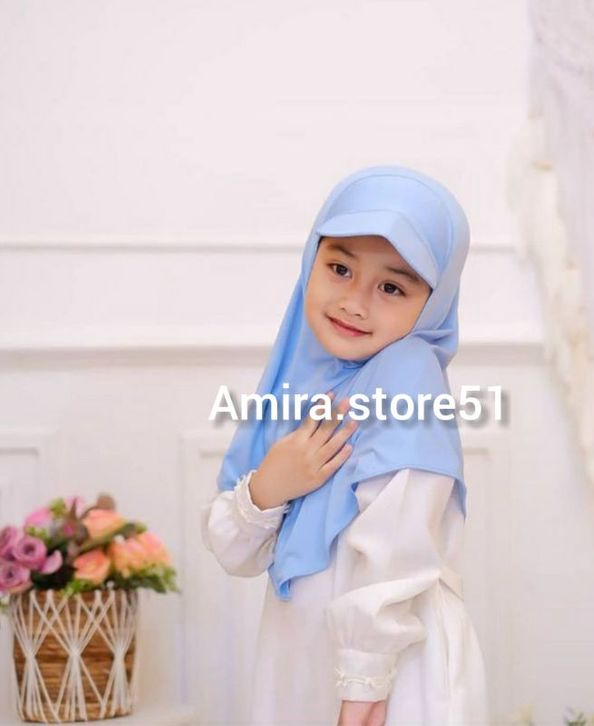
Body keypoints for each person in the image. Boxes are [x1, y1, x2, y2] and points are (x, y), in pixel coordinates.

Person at [200, 165, 490, 725]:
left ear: (434, 302)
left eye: (391, 287)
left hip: (388, 678)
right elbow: (234, 551)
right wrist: (270, 486)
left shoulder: (407, 377)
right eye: (339, 268)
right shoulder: (301, 381)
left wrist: (364, 686)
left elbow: (395, 551)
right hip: (308, 663)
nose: (354, 302)